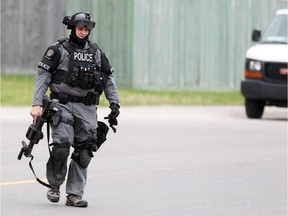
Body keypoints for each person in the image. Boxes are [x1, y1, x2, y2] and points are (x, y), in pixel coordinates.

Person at [30, 12, 120, 208]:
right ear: (72, 28)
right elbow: (43, 76)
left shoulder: (96, 53)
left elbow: (109, 78)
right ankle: (54, 185)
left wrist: (115, 103)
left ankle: (74, 195)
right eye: (80, 28)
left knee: (85, 152)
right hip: (61, 105)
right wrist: (37, 103)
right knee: (62, 147)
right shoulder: (58, 50)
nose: (83, 32)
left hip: (87, 108)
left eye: (86, 29)